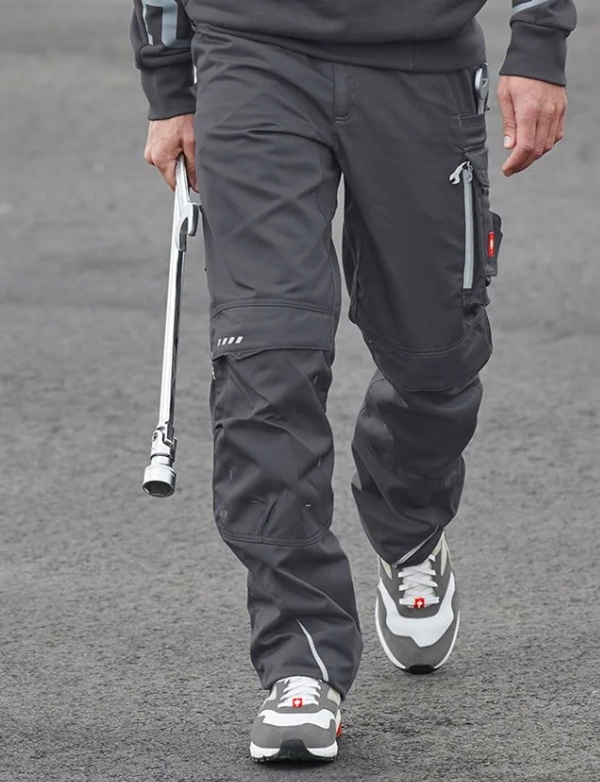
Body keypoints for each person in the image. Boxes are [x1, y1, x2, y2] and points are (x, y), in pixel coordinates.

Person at [130, 0, 576, 763]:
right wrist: (169, 85)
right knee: (264, 362)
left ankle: (408, 525)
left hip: (420, 57)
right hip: (251, 52)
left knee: (436, 355)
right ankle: (299, 664)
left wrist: (538, 40)